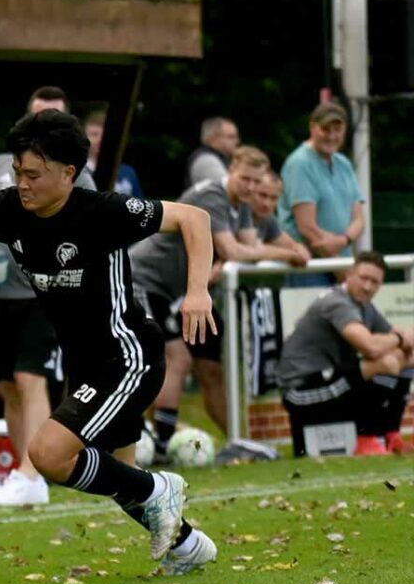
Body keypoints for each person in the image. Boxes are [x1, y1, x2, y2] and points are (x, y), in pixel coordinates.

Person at [0, 109, 219, 574]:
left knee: (49, 454)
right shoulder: (8, 208)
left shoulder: (101, 211)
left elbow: (195, 218)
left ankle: (160, 490)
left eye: (34, 174)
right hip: (86, 364)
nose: (22, 182)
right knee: (117, 478)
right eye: (17, 171)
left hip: (127, 356)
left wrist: (197, 292)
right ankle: (187, 546)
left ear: (69, 174)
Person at [0, 86, 97, 507]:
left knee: (31, 377)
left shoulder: (75, 171)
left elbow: (92, 224)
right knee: (8, 383)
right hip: (0, 291)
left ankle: (31, 469)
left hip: (48, 292)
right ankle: (27, 478)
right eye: (40, 116)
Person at [132, 146, 307, 456]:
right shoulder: (213, 196)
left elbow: (249, 246)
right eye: (246, 180)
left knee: (202, 364)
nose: (252, 189)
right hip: (143, 280)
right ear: (232, 168)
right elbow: (238, 252)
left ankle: (226, 439)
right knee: (173, 360)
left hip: (178, 292)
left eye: (257, 183)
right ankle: (156, 445)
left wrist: (290, 250)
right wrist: (284, 254)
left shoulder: (239, 205)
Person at [277, 251, 414, 456]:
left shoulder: (365, 307)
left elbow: (399, 349)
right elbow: (371, 347)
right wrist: (402, 337)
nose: (367, 287)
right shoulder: (336, 303)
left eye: (374, 282)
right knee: (382, 364)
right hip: (300, 391)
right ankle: (368, 440)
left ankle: (391, 436)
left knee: (403, 363)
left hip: (333, 382)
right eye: (363, 278)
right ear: (348, 275)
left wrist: (404, 349)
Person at [277, 101, 364, 286]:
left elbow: (359, 218)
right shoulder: (299, 163)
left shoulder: (344, 164)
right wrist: (338, 265)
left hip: (343, 262)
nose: (332, 136)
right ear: (313, 128)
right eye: (325, 129)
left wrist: (343, 240)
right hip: (309, 265)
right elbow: (307, 228)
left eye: (337, 129)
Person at [84, 111, 143, 198]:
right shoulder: (78, 173)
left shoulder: (128, 173)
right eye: (94, 134)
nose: (101, 140)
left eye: (105, 134)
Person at [184, 116, 239, 188]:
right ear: (213, 138)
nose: (237, 141)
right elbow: (229, 189)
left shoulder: (219, 158)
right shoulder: (206, 160)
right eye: (231, 137)